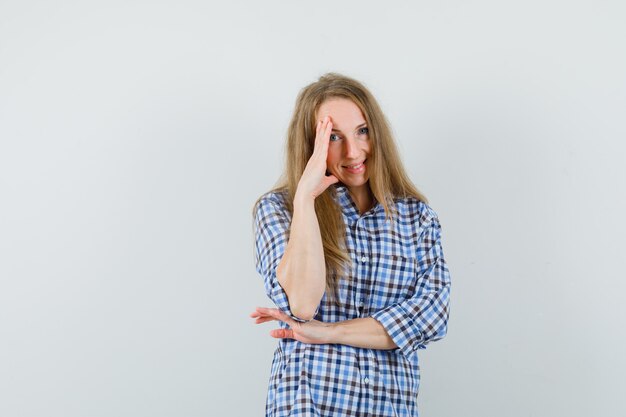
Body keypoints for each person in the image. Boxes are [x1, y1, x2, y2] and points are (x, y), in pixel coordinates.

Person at [249, 73, 451, 417]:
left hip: (390, 406)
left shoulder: (417, 217)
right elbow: (301, 305)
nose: (353, 151)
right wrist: (306, 199)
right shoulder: (279, 210)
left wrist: (328, 332)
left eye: (362, 131)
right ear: (311, 146)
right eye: (333, 137)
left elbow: (431, 317)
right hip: (307, 405)